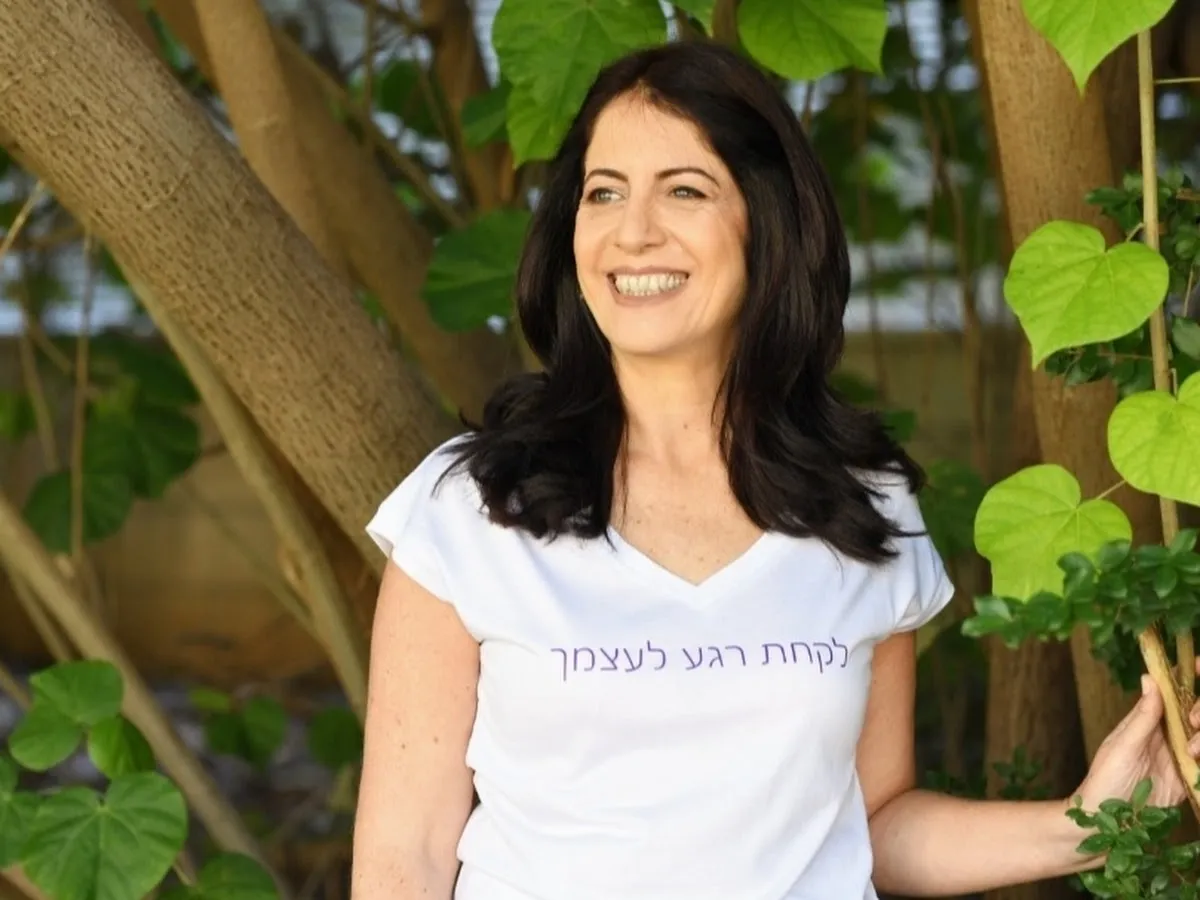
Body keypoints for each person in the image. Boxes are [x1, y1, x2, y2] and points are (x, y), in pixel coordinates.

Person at [350, 40, 1200, 900]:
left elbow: (872, 825)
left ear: (768, 222)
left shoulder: (860, 502)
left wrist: (1091, 823)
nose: (632, 231)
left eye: (684, 190)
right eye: (604, 192)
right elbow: (404, 857)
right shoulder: (472, 507)